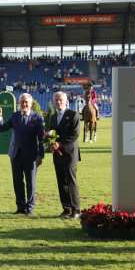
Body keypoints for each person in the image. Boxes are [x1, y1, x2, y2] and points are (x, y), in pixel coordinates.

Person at [0, 93, 45, 216]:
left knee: (30, 183)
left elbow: (42, 139)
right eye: (22, 102)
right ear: (19, 103)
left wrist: (41, 155)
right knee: (17, 182)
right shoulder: (15, 116)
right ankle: (20, 207)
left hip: (31, 156)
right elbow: (3, 128)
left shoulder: (37, 118)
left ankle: (30, 208)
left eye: (26, 102)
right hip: (16, 155)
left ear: (31, 104)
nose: (24, 104)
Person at [48, 91, 81, 219]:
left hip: (70, 154)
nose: (58, 102)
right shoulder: (53, 117)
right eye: (56, 100)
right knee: (61, 181)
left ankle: (76, 210)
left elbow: (75, 135)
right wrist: (51, 143)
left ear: (66, 101)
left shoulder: (73, 115)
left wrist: (60, 144)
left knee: (71, 181)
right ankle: (66, 208)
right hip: (57, 155)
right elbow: (51, 134)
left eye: (60, 99)